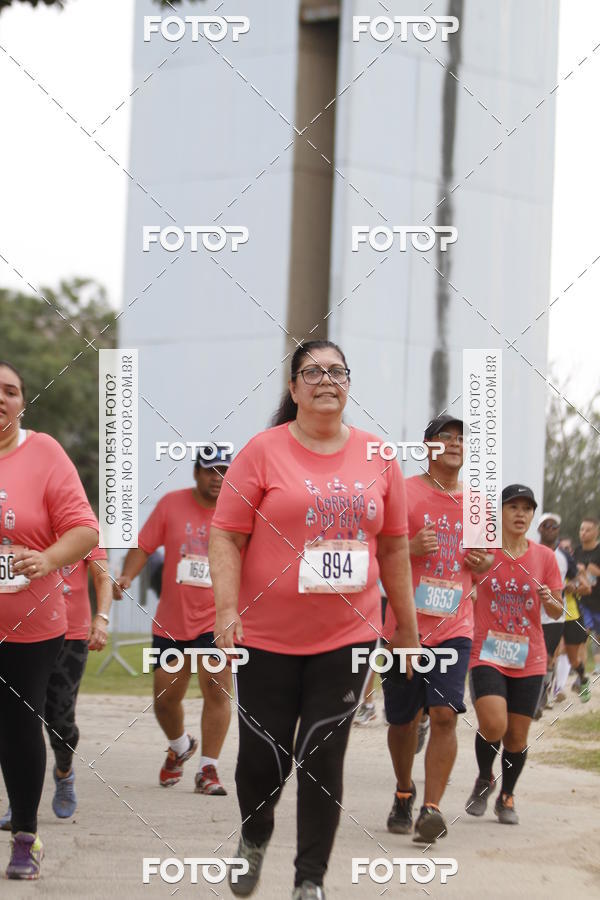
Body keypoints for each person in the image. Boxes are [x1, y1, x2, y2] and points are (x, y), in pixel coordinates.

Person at [209, 340, 419, 900]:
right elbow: (227, 535)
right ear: (294, 387)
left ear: (349, 384)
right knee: (263, 756)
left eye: (337, 371)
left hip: (346, 638)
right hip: (267, 637)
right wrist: (226, 610)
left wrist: (406, 628)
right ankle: (254, 837)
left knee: (324, 755)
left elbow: (395, 548)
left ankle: (310, 880)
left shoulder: (380, 457)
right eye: (312, 371)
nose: (326, 380)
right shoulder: (261, 452)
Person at [0, 361, 99, 879]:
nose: (1, 398)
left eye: (10, 391)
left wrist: (49, 557)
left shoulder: (44, 453)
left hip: (31, 625)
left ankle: (25, 836)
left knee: (19, 727)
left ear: (22, 403)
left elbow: (84, 528)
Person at [382, 414, 492, 843]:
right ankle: (404, 791)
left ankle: (431, 809)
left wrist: (482, 565)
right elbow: (377, 552)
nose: (455, 443)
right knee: (403, 720)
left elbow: (485, 569)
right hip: (403, 627)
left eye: (462, 439)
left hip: (455, 627)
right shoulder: (403, 493)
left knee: (445, 714)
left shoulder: (480, 506)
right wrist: (408, 548)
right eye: (446, 437)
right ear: (428, 446)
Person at [114, 447, 232, 795]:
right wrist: (127, 577)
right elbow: (144, 546)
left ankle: (208, 769)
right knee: (165, 699)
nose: (217, 478)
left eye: (225, 471)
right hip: (172, 622)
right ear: (196, 473)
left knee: (217, 688)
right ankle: (180, 746)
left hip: (217, 620)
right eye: (211, 470)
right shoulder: (170, 504)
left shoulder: (240, 511)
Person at [465, 485, 563, 825]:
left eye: (527, 508)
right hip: (487, 651)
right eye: (513, 507)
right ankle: (483, 778)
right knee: (494, 723)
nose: (520, 514)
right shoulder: (484, 553)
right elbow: (464, 582)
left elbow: (556, 609)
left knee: (517, 736)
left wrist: (550, 598)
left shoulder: (545, 558)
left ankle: (506, 796)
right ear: (500, 514)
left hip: (529, 656)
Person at [0, 546, 113, 830]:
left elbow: (102, 577)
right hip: (24, 634)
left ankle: (64, 771)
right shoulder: (25, 524)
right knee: (21, 721)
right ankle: (21, 800)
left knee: (60, 721)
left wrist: (102, 618)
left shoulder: (80, 527)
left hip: (72, 636)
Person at [534, 512, 569, 716]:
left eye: (554, 527)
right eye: (546, 526)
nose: (550, 530)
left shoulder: (564, 558)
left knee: (546, 658)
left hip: (555, 617)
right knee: (535, 658)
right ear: (539, 529)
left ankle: (540, 698)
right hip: (531, 614)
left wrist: (575, 585)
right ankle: (537, 694)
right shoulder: (531, 551)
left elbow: (577, 578)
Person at [574, 517, 600, 675]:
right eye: (581, 529)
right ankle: (580, 673)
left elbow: (593, 576)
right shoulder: (577, 551)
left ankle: (597, 668)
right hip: (583, 601)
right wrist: (581, 575)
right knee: (581, 634)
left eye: (587, 530)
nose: (583, 533)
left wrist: (595, 572)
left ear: (596, 532)